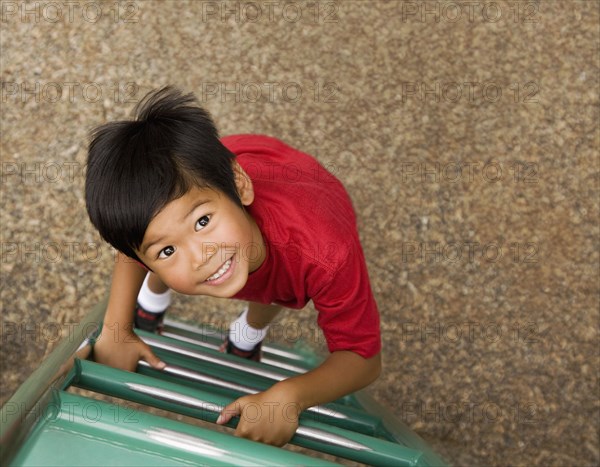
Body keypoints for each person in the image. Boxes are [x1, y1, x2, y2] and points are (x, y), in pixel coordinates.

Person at [85, 86, 381, 446]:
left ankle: (246, 334)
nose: (200, 256)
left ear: (240, 186)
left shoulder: (325, 255)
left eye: (203, 222)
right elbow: (133, 247)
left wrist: (290, 395)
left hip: (284, 182)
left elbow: (363, 358)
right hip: (227, 177)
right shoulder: (195, 207)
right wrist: (117, 329)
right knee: (168, 241)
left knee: (277, 286)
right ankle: (154, 300)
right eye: (167, 250)